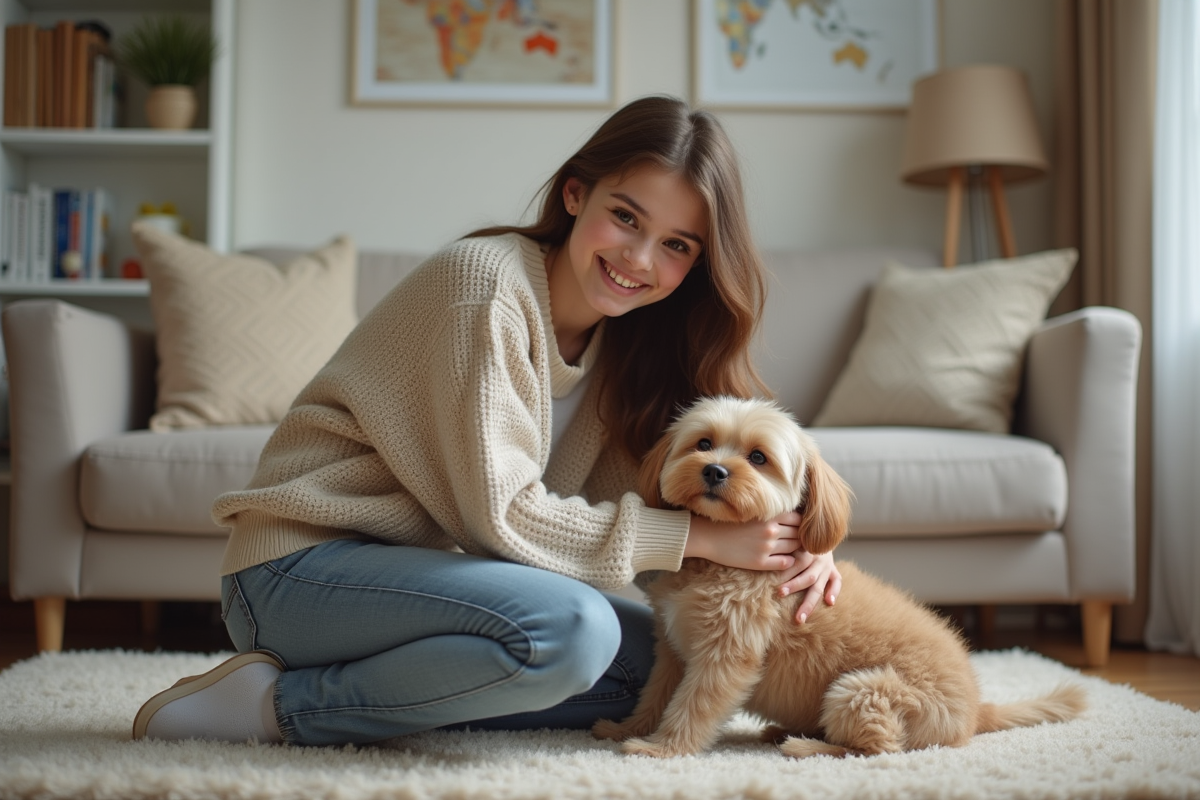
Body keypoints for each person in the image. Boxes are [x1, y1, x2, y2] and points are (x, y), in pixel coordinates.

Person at [132, 95, 842, 747]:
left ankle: (399, 693)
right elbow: (499, 519)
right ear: (575, 193)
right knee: (572, 631)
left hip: (431, 592)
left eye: (676, 245)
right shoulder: (485, 286)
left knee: (653, 669)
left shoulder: (635, 348)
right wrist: (700, 537)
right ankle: (277, 708)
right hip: (299, 575)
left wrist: (796, 546)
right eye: (625, 217)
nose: (639, 258)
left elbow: (692, 497)